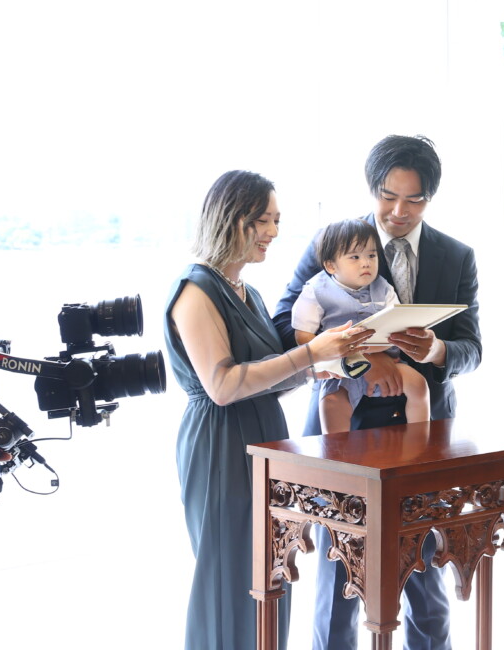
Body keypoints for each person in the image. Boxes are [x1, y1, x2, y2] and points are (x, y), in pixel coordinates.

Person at [273, 134, 482, 650]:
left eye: (414, 199)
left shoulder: (457, 257)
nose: (399, 211)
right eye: (388, 197)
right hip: (343, 428)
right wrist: (362, 360)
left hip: (423, 436)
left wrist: (436, 349)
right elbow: (286, 329)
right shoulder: (335, 242)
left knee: (428, 581)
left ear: (431, 197)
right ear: (372, 189)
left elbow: (472, 349)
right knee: (338, 584)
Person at [166, 170, 372, 650]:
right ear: (230, 218)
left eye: (277, 220)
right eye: (263, 220)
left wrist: (323, 365)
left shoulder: (248, 292)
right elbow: (222, 386)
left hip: (265, 442)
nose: (274, 232)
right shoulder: (195, 290)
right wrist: (309, 353)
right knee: (229, 579)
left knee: (271, 574)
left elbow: (266, 378)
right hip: (220, 444)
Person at [292, 218, 430, 432]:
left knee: (418, 384)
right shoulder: (315, 290)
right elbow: (303, 335)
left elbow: (397, 326)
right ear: (331, 265)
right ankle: (337, 449)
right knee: (331, 402)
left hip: (386, 361)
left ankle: (420, 439)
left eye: (371, 256)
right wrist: (333, 356)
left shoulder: (384, 288)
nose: (366, 263)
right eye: (355, 257)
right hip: (340, 369)